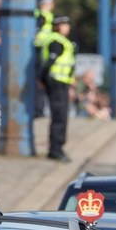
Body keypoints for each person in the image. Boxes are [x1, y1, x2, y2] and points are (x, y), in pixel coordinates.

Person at [39, 15, 76, 162]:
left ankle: (57, 147)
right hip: (57, 82)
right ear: (59, 26)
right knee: (59, 116)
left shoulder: (61, 41)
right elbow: (49, 62)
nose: (68, 27)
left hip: (61, 82)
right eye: (65, 25)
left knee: (60, 115)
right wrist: (42, 79)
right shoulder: (56, 41)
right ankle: (56, 149)